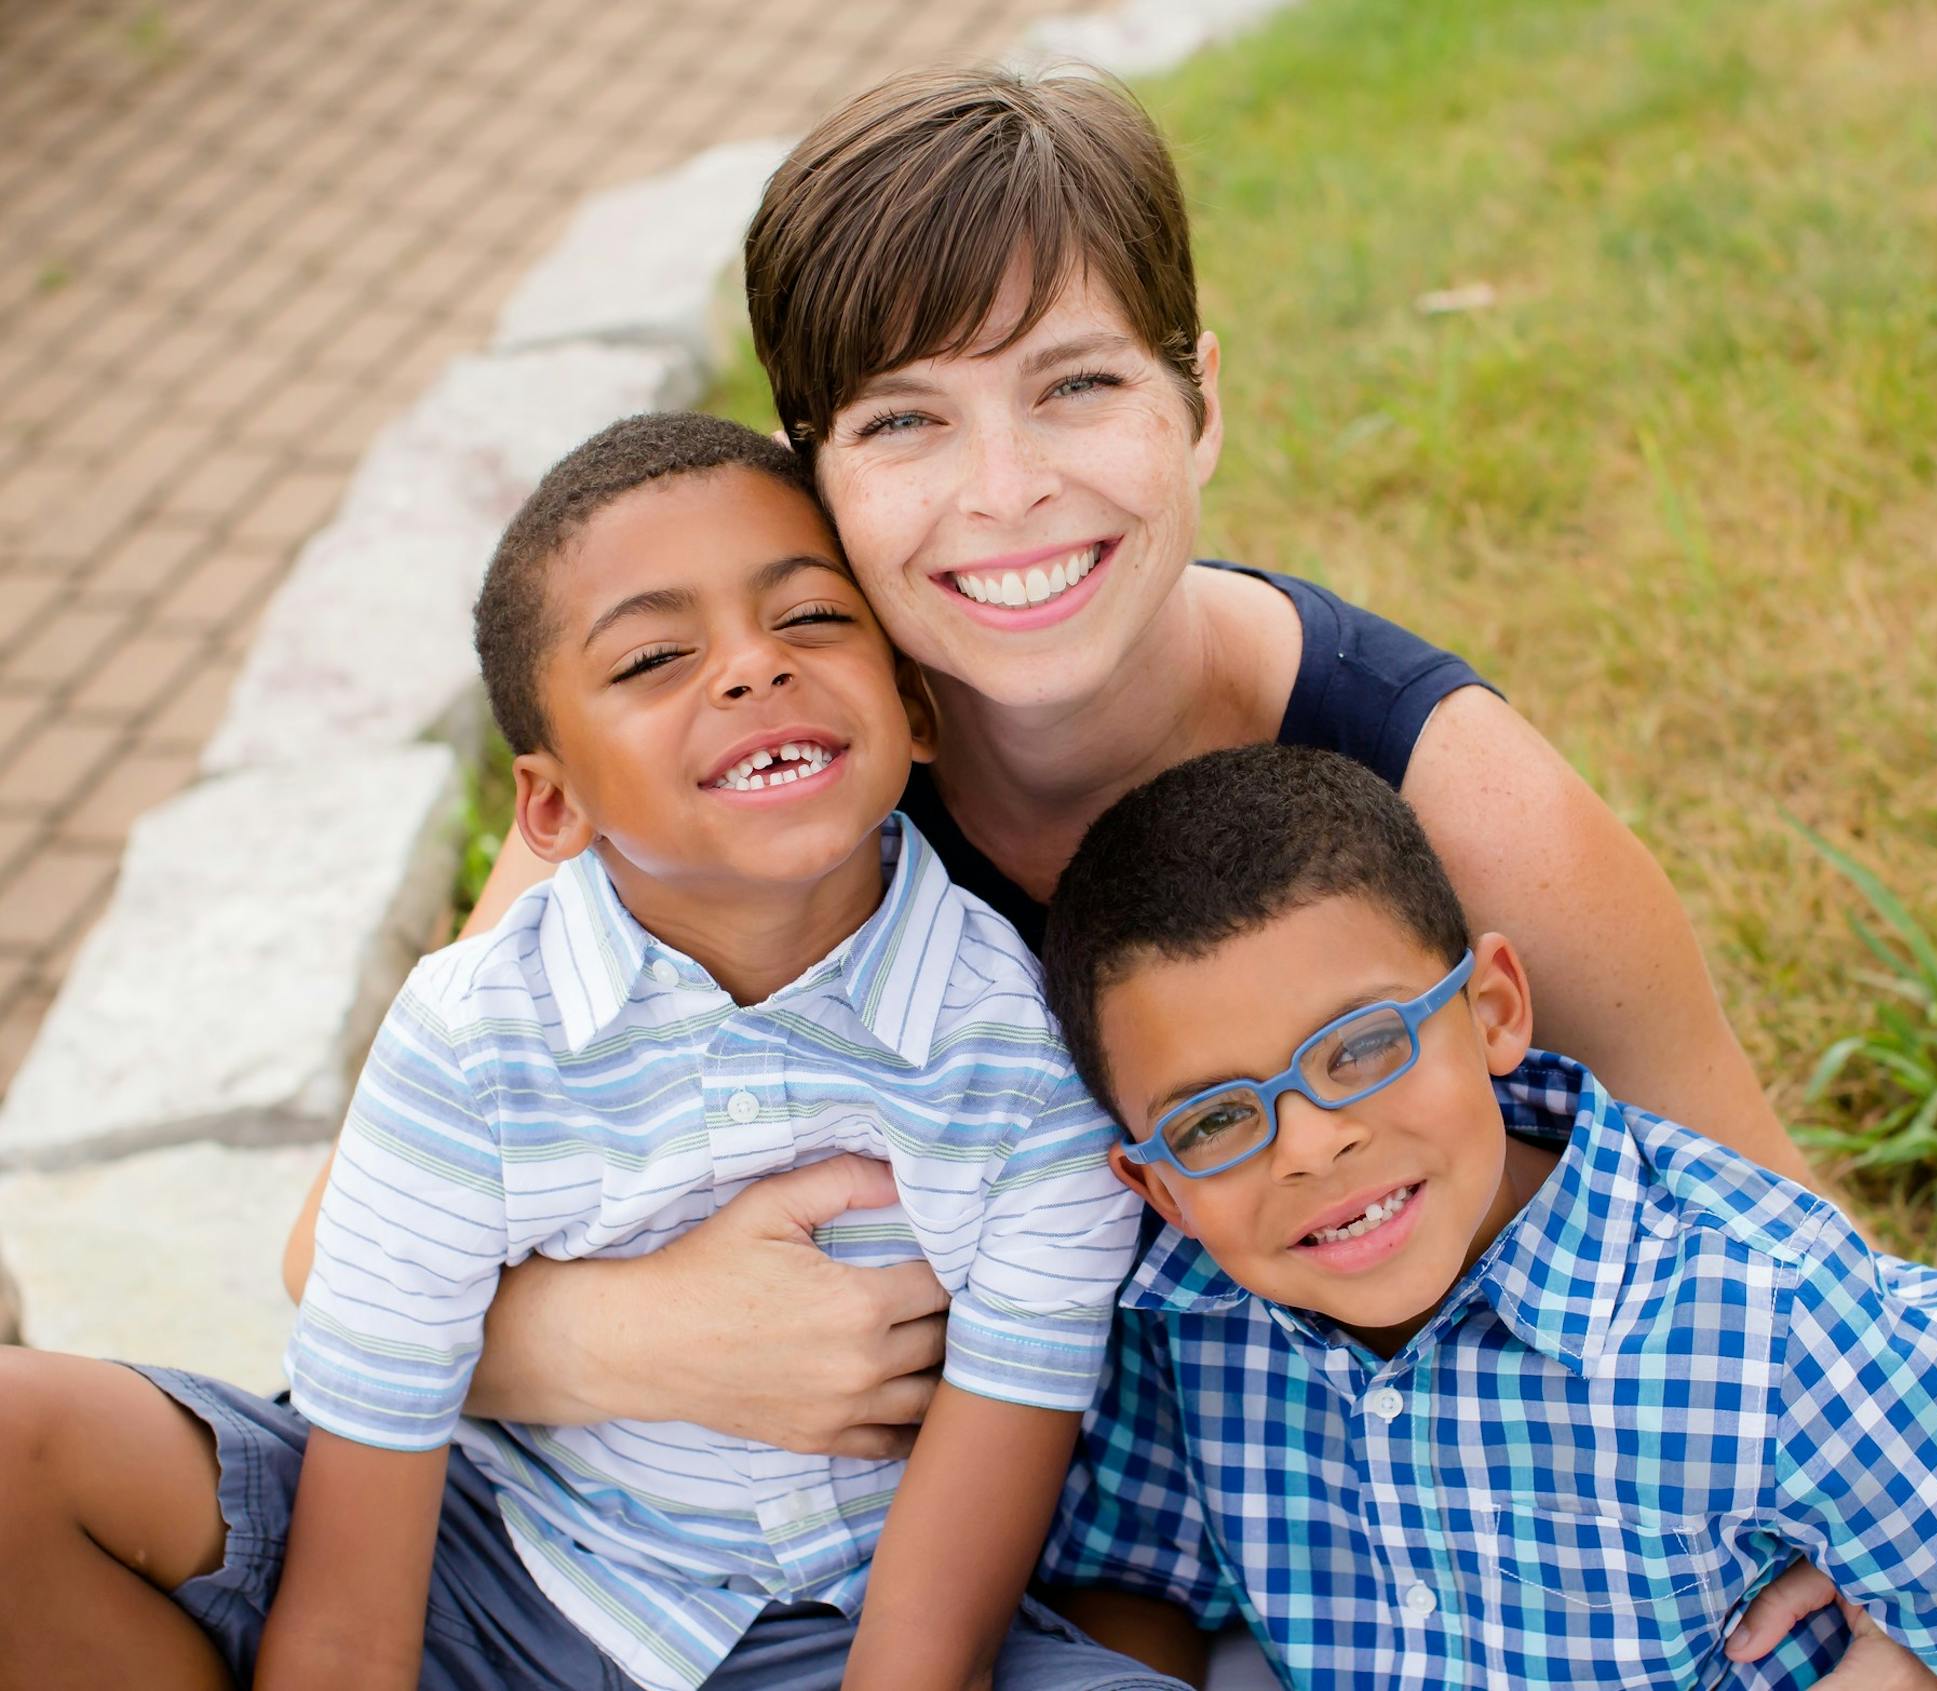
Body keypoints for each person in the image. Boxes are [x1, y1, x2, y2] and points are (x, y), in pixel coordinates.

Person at [283, 64, 1937, 1683]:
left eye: (1078, 386)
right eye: (909, 421)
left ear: (1200, 401)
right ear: (815, 476)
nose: (1005, 491)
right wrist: (620, 1341)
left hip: (1317, 1563)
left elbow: (1800, 1264)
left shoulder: (1461, 805)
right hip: (760, 1579)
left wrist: (1873, 1603)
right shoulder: (746, 780)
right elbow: (333, 1250)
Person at [0, 414, 1178, 1691]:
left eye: (811, 619)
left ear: (914, 705)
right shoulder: (471, 1035)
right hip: (492, 1561)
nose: (749, 669)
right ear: (554, 805)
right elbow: (353, 1592)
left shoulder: (1021, 1043)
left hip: (845, 1626)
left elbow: (936, 1616)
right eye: (657, 656)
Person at [1031, 743, 1937, 1691]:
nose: (1314, 1141)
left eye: (1363, 1045)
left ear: (1493, 1009)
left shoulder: (1770, 1326)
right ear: (1159, 1187)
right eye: (1218, 1118)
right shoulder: (1188, 1320)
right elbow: (1135, 1574)